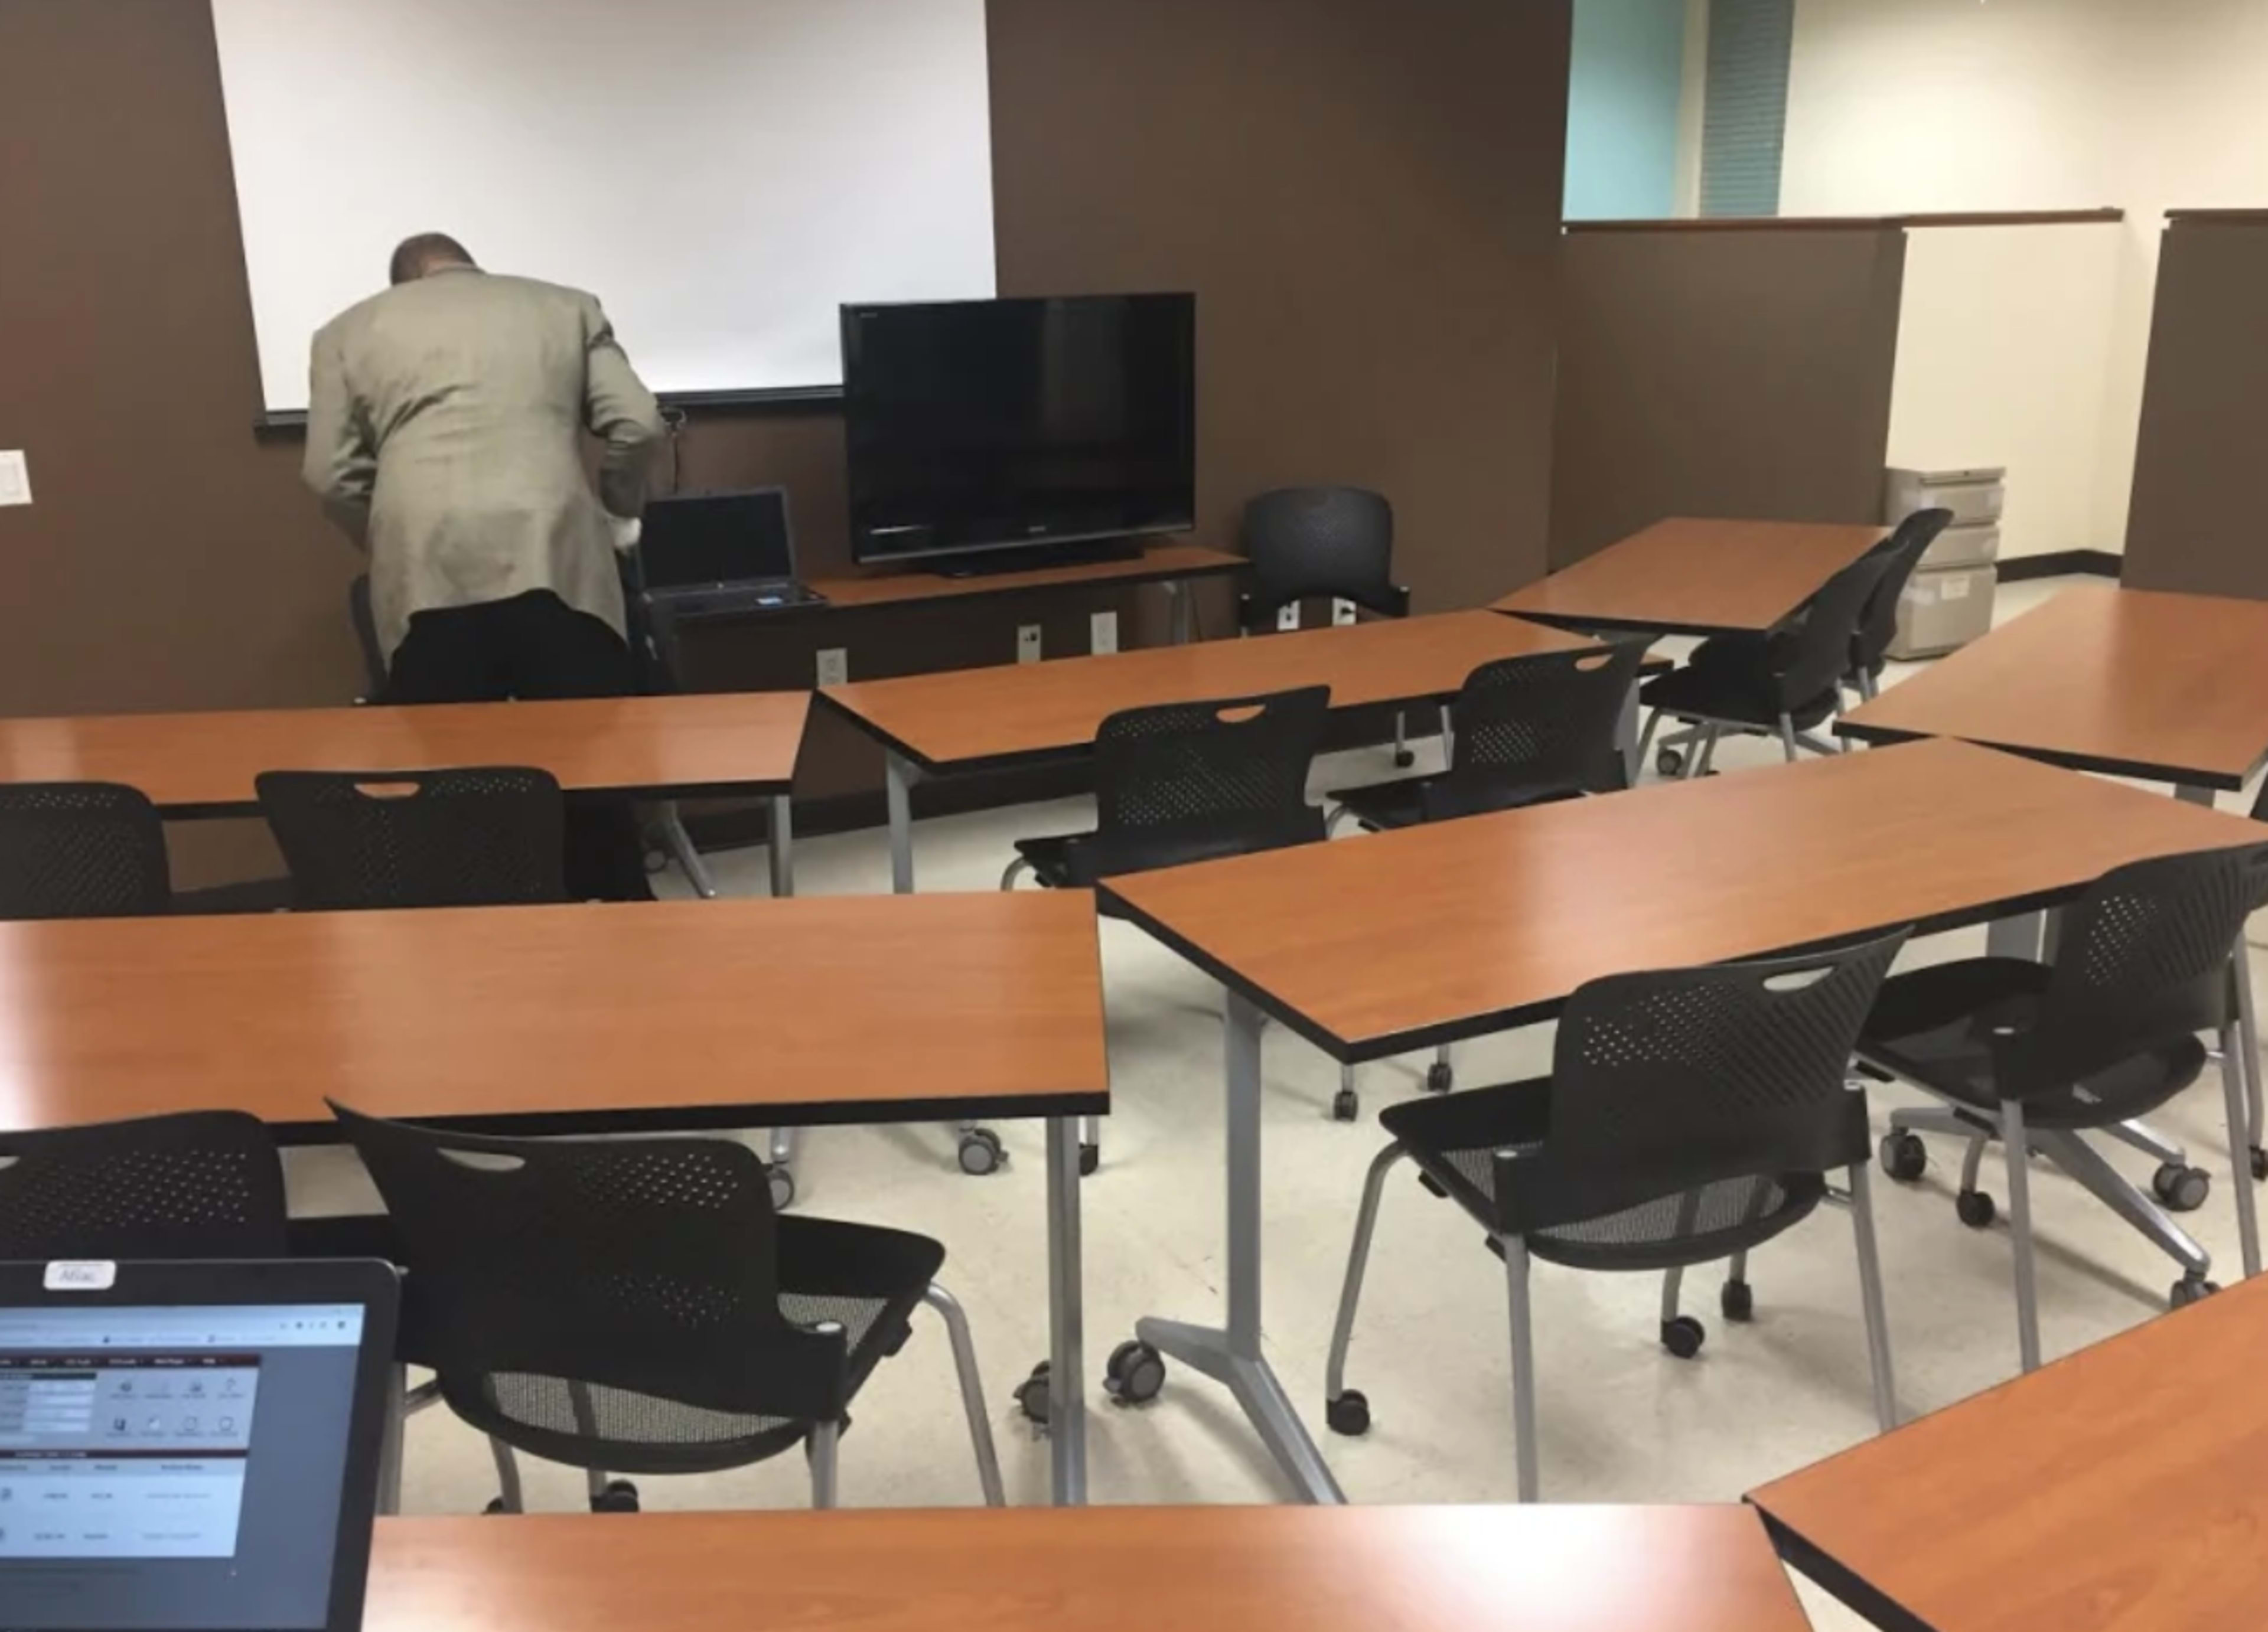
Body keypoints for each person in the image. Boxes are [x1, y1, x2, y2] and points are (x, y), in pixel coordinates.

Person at [302, 232, 667, 899]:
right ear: (469, 264)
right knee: (590, 775)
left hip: (426, 579)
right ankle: (619, 929)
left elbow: (329, 476)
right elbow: (639, 425)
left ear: (402, 282)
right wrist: (617, 517)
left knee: (448, 781)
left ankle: (478, 940)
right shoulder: (567, 308)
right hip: (558, 563)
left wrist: (390, 539)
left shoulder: (346, 332)